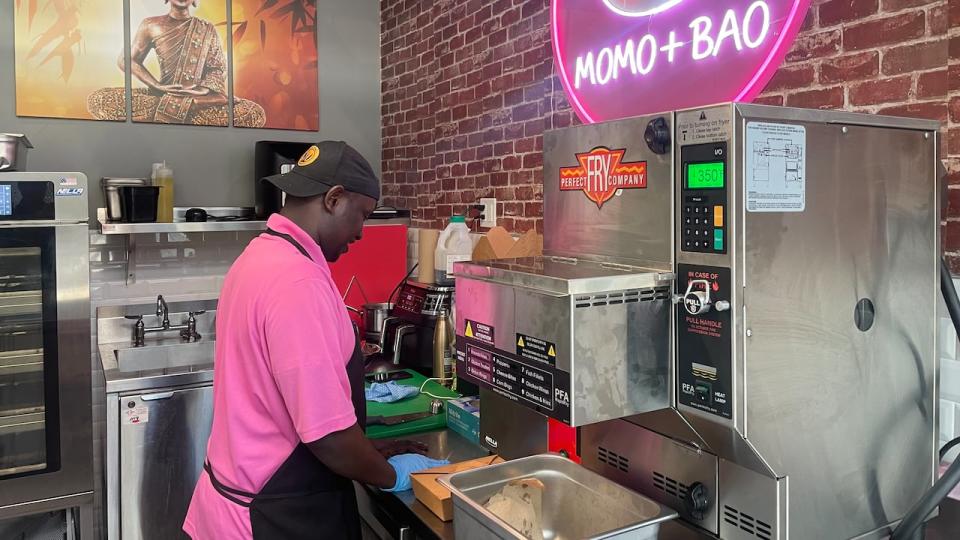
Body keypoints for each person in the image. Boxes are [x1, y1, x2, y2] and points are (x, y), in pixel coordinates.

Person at [183, 141, 446, 539]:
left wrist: (367, 450)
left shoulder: (259, 256)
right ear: (334, 199)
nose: (361, 232)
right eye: (363, 215)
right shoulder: (296, 281)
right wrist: (391, 476)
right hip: (275, 515)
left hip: (239, 501)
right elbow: (329, 437)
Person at [87, 0, 265, 126]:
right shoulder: (151, 24)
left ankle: (181, 107)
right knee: (99, 99)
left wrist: (202, 90)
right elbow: (126, 60)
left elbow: (217, 67)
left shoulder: (206, 28)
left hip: (196, 94)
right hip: (162, 93)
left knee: (252, 112)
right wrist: (158, 85)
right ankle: (184, 108)